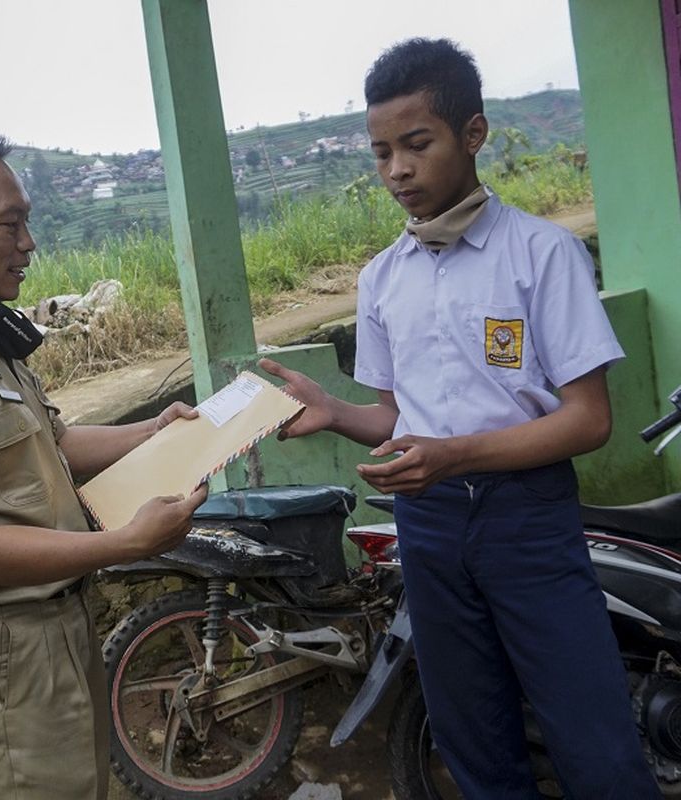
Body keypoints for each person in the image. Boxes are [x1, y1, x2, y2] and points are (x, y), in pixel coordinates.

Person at [260, 38, 659, 798]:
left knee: (593, 739)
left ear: (472, 135)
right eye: (380, 154)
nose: (398, 171)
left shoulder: (541, 255)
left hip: (529, 521)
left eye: (417, 145)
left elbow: (587, 420)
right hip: (429, 526)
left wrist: (457, 456)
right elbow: (396, 421)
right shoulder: (381, 279)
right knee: (471, 738)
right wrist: (336, 411)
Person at [0, 124, 208, 800]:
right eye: (9, 224)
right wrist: (123, 544)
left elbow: (53, 447)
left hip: (57, 632)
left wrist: (155, 429)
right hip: (5, 653)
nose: (29, 245)